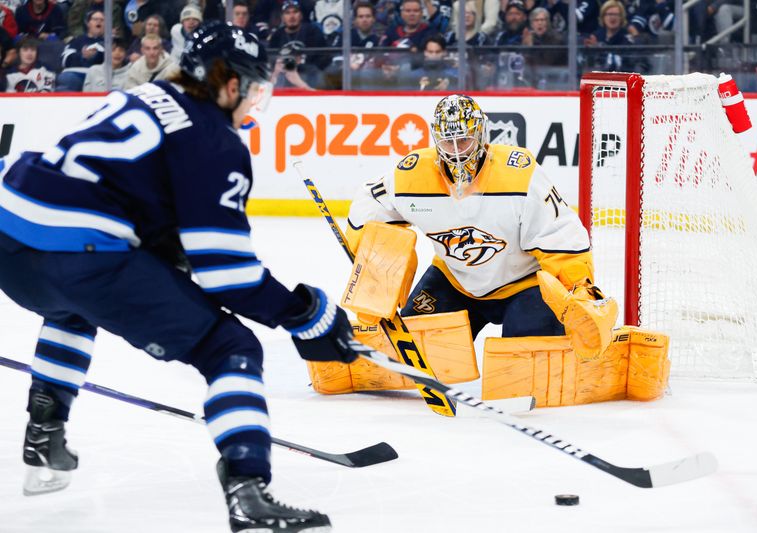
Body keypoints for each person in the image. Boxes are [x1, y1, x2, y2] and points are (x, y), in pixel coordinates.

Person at [0, 22, 358, 532]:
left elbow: (117, 191)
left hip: (10, 232)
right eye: (254, 86)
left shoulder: (147, 93)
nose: (255, 100)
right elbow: (229, 275)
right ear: (229, 83)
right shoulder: (214, 140)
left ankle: (45, 430)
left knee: (72, 307)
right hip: (81, 249)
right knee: (230, 348)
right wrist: (307, 313)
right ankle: (248, 492)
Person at [345, 94, 613, 342]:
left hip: (525, 283)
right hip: (455, 280)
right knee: (414, 351)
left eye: (463, 140)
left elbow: (559, 234)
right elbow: (371, 201)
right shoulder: (411, 173)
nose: (457, 152)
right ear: (435, 139)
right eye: (448, 142)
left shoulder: (520, 174)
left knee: (527, 364)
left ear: (481, 134)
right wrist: (375, 268)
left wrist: (579, 288)